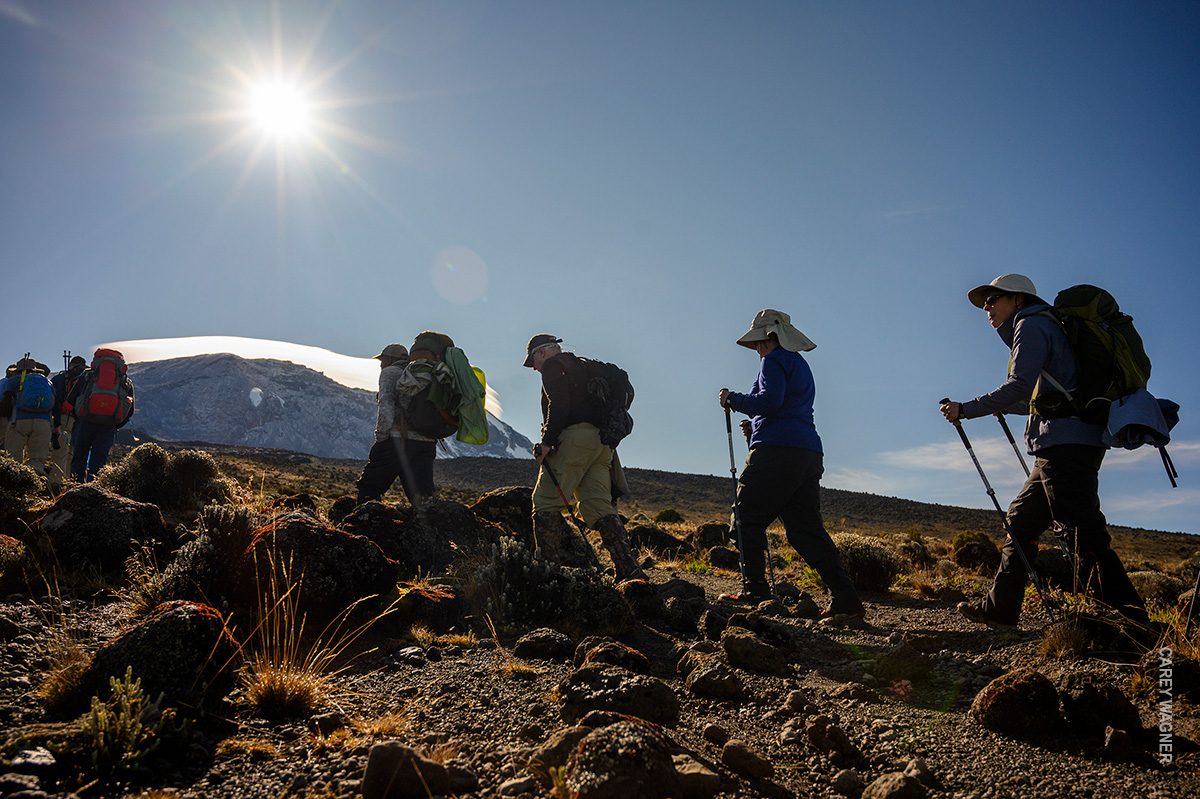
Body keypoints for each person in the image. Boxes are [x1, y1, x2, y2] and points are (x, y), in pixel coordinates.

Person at [941, 273, 1148, 629]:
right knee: (1020, 522)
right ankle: (1000, 610)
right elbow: (1043, 397)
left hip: (1065, 444)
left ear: (1018, 299)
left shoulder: (1031, 324)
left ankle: (1132, 621)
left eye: (994, 299)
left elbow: (1019, 384)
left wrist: (967, 408)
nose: (987, 307)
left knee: (1081, 532)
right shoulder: (1047, 326)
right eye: (985, 303)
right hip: (1065, 441)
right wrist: (1003, 406)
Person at [718, 310, 864, 615]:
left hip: (777, 449)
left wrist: (734, 400)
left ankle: (755, 593)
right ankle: (845, 598)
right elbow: (785, 406)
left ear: (771, 337)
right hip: (807, 451)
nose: (757, 349)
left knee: (746, 519)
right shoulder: (800, 364)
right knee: (804, 529)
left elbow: (770, 402)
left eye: (759, 342)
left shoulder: (772, 361)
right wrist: (756, 424)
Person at [524, 334, 646, 581]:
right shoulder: (585, 365)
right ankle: (629, 571)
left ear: (542, 353)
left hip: (574, 440)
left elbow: (559, 404)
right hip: (602, 446)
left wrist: (547, 442)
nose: (535, 368)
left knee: (545, 502)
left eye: (533, 361)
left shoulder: (553, 366)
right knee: (599, 505)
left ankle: (547, 575)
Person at [354, 339, 437, 506]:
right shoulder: (424, 374)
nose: (380, 365)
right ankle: (430, 530)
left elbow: (386, 405)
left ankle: (366, 527)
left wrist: (381, 438)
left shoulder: (390, 372)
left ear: (389, 360)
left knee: (370, 486)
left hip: (399, 440)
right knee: (422, 495)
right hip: (426, 441)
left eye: (382, 360)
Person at [65, 349, 135, 483]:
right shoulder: (124, 381)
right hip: (108, 426)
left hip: (84, 421)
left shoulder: (87, 375)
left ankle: (74, 489)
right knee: (98, 462)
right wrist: (114, 423)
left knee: (79, 458)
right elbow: (130, 411)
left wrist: (79, 414)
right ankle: (95, 492)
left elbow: (70, 399)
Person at [1, 357, 55, 476]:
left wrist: (8, 417)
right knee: (37, 459)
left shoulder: (14, 380)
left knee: (13, 458)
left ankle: (15, 487)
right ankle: (34, 486)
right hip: (43, 423)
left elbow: (5, 402)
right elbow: (55, 403)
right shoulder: (46, 381)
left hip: (18, 420)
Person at [49, 355, 88, 487]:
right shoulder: (88, 378)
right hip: (82, 421)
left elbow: (53, 399)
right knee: (73, 454)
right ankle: (69, 485)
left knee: (60, 453)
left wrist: (55, 421)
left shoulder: (61, 378)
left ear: (71, 364)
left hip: (64, 418)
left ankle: (55, 484)